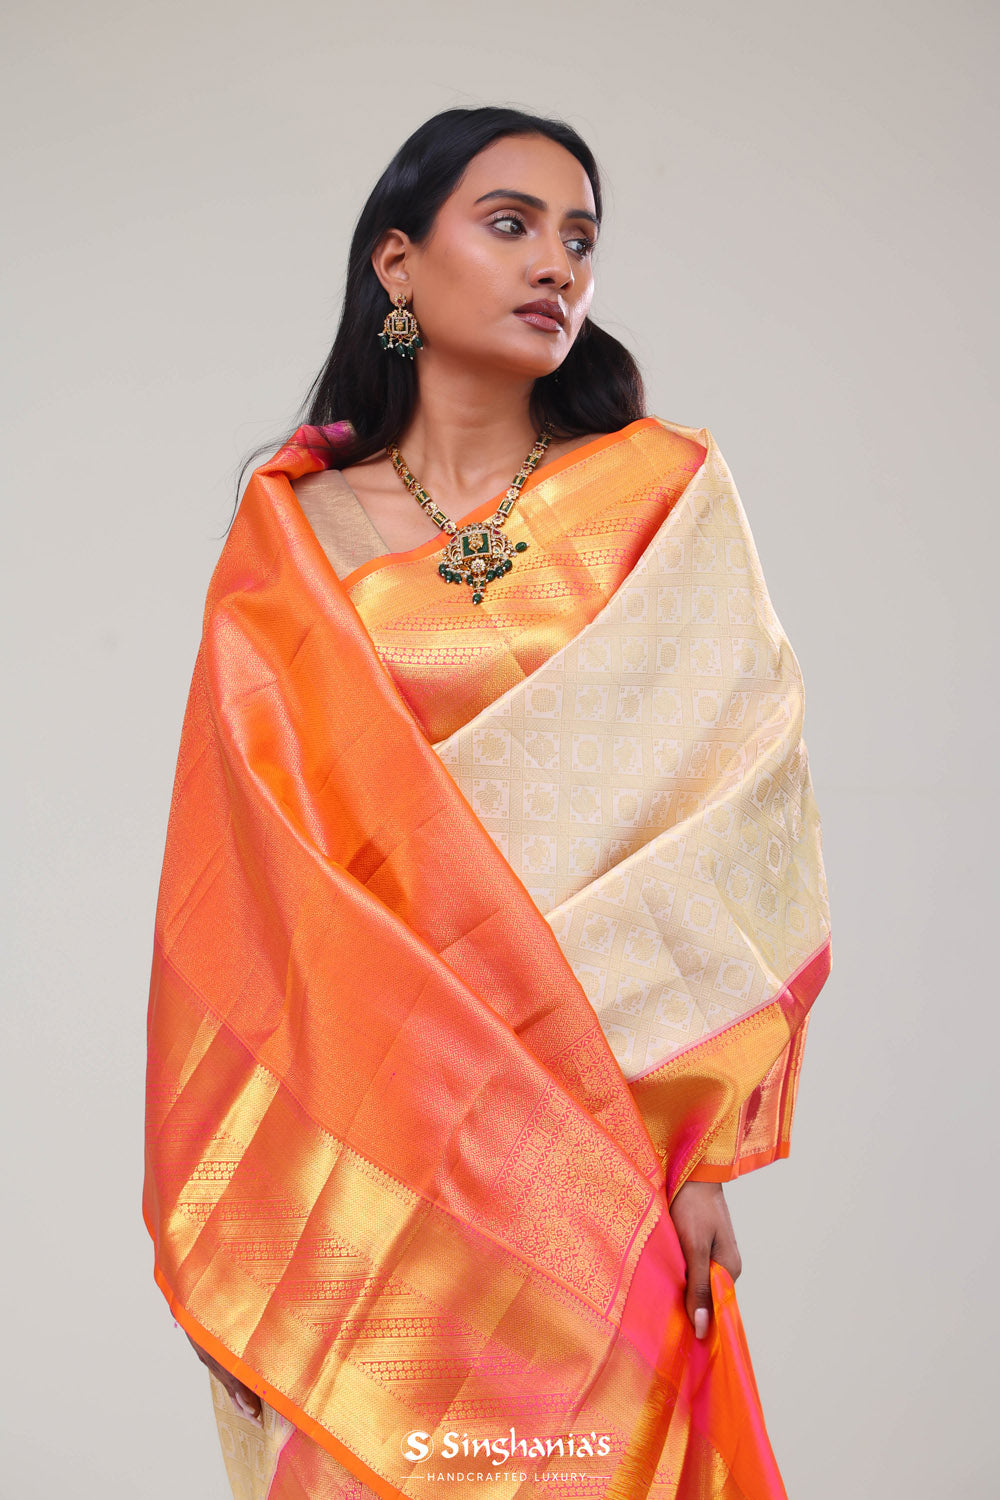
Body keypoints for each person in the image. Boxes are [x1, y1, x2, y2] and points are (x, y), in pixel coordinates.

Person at [142, 106, 832, 1500]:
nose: (557, 264)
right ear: (397, 263)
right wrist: (257, 1220)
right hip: (364, 1133)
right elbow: (247, 895)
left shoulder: (655, 501)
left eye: (580, 238)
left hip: (591, 1136)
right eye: (511, 225)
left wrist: (699, 1151)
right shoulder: (292, 533)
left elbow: (728, 818)